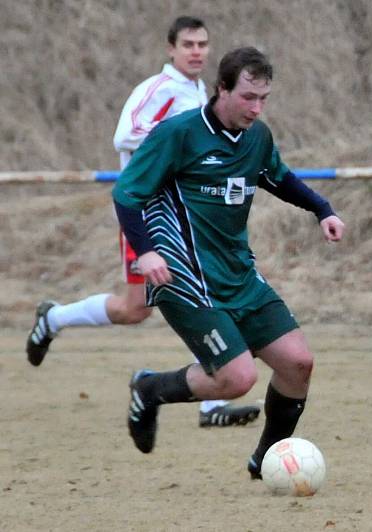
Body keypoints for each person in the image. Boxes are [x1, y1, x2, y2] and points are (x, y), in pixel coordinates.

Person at [112, 46, 345, 478]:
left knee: (298, 363)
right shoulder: (178, 134)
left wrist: (322, 209)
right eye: (248, 98)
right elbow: (127, 194)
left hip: (238, 273)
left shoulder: (257, 137)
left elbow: (278, 177)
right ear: (222, 89)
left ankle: (268, 463)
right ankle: (149, 389)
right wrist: (145, 251)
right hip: (181, 276)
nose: (256, 109)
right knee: (237, 379)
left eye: (264, 99)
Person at [25, 16, 261, 428]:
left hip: (190, 218)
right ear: (171, 49)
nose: (196, 51)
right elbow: (124, 136)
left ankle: (212, 404)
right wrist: (181, 138)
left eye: (203, 44)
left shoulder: (201, 91)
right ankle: (54, 317)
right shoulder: (157, 90)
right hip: (149, 214)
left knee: (207, 295)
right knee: (136, 309)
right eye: (187, 44)